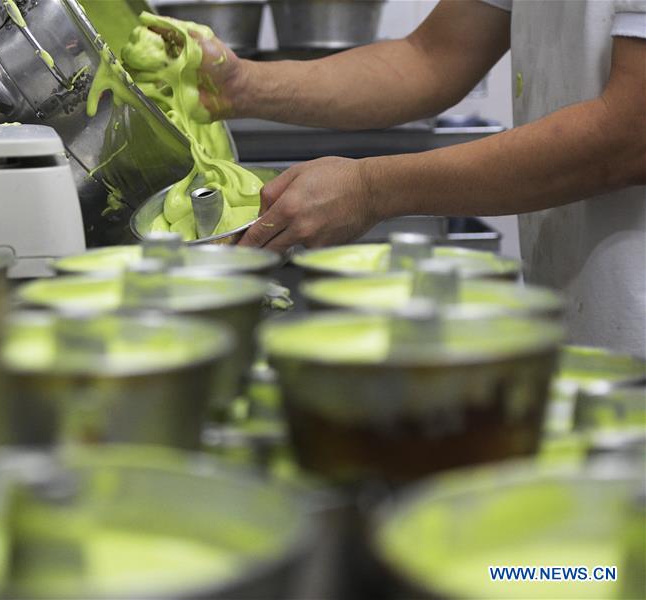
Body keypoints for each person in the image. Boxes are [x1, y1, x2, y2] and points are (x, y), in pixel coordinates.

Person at [191, 0, 646, 356]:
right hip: (574, 310)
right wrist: (240, 86)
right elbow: (431, 56)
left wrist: (371, 189)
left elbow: (631, 131)